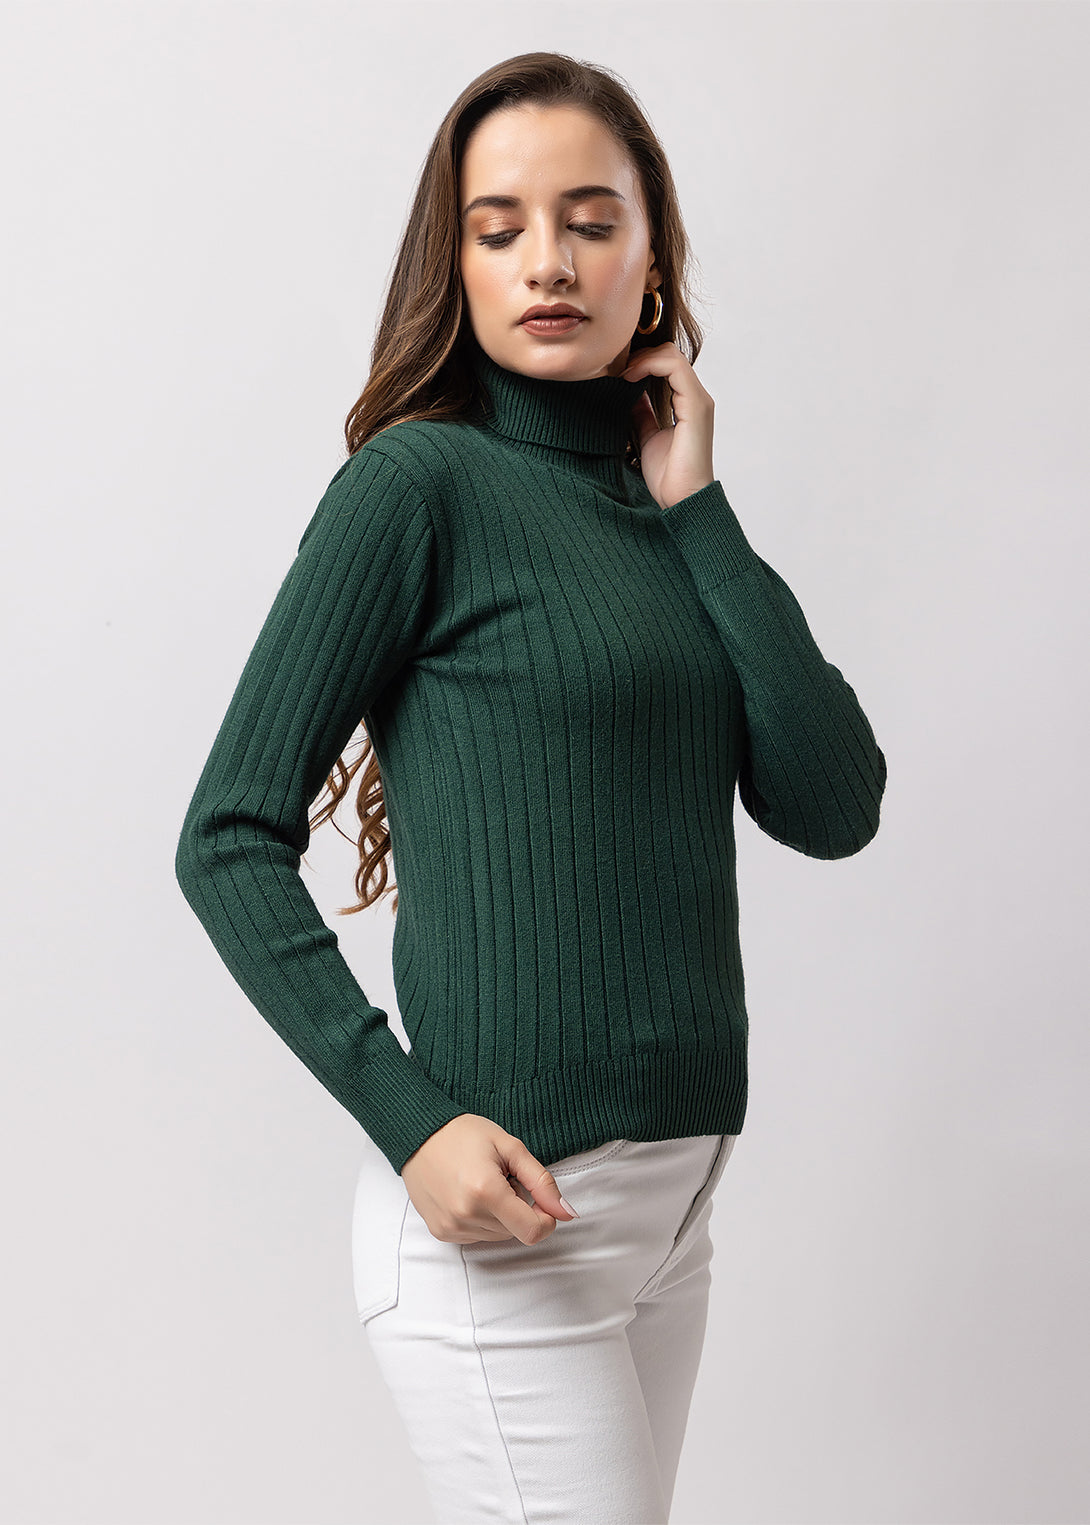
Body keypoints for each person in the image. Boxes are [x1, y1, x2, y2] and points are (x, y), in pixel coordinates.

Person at [175, 50, 887, 1525]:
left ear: (652, 255)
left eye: (590, 221)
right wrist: (408, 1116)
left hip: (671, 1213)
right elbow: (225, 836)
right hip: (505, 1228)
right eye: (498, 230)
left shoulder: (663, 507)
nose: (547, 262)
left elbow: (833, 804)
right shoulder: (416, 486)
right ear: (456, 262)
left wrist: (698, 506)